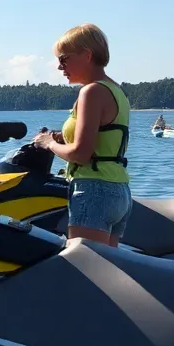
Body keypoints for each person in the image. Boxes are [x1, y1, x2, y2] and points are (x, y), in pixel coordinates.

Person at [33, 24, 131, 247]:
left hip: (94, 190)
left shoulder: (91, 91)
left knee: (87, 272)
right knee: (106, 272)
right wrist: (61, 137)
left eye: (64, 59)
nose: (60, 67)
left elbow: (81, 154)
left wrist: (48, 143)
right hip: (118, 190)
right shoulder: (115, 90)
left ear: (87, 55)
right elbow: (104, 138)